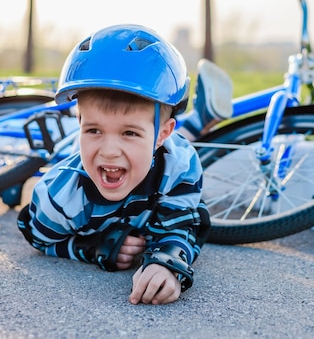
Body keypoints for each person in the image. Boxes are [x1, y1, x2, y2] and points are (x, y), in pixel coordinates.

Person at [17, 24, 223, 305]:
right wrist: (94, 247)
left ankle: (196, 122)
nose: (109, 152)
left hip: (166, 147)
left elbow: (182, 223)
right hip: (70, 166)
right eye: (93, 130)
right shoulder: (60, 198)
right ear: (78, 123)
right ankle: (195, 121)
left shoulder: (181, 167)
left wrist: (166, 262)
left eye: (129, 133)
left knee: (193, 199)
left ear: (164, 132)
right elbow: (36, 236)